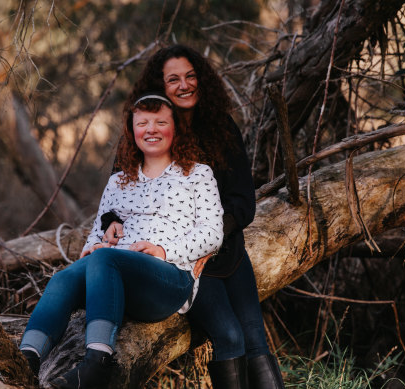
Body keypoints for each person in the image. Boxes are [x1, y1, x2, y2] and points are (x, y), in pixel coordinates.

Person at [102, 45, 286, 389]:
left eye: (190, 76)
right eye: (174, 79)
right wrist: (109, 221)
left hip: (226, 252)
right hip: (180, 261)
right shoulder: (151, 130)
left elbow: (242, 201)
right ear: (160, 85)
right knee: (229, 335)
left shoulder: (221, 129)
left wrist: (213, 239)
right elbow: (121, 189)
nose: (185, 85)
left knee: (255, 339)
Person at [19, 92, 224, 389]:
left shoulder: (197, 174)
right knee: (64, 277)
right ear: (132, 131)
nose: (151, 129)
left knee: (104, 259)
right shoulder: (119, 180)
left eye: (160, 122)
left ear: (176, 129)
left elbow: (212, 233)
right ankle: (25, 360)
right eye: (142, 123)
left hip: (167, 279)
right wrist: (94, 245)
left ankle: (97, 364)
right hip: (113, 276)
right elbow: (99, 227)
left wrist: (164, 250)